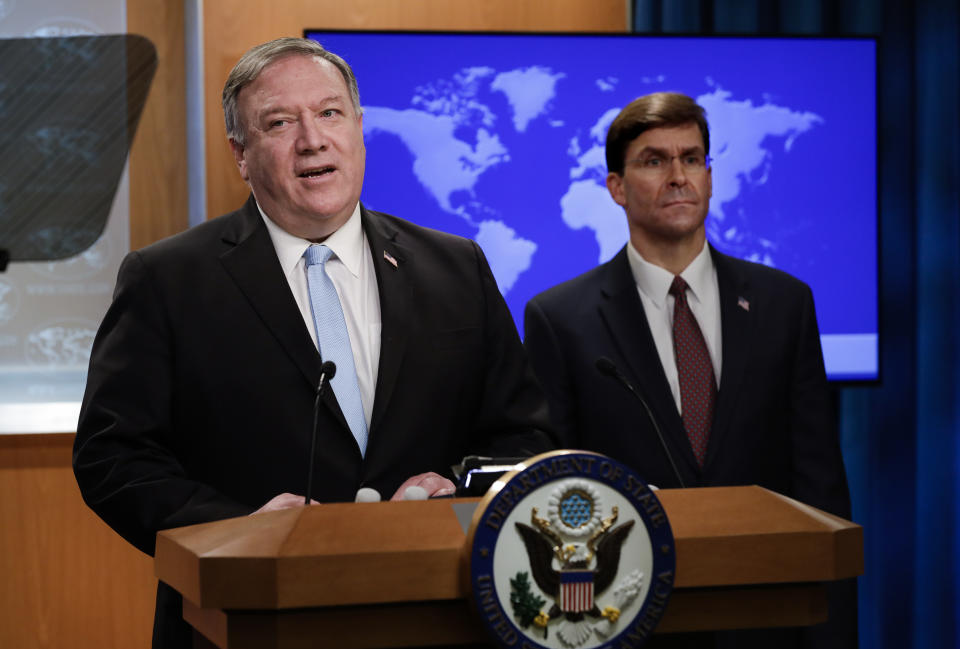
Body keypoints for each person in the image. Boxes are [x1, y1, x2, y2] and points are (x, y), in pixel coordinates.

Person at [74, 37, 552, 648]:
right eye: (279, 122)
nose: (312, 139)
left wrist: (453, 488)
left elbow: (525, 437)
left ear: (359, 127)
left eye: (329, 113)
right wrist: (237, 530)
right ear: (241, 155)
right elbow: (113, 458)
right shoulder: (168, 280)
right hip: (249, 621)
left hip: (436, 612)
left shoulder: (456, 267)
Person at [523, 92, 855, 648]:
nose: (679, 176)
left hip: (766, 615)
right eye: (654, 160)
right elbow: (559, 493)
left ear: (709, 175)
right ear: (617, 187)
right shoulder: (560, 319)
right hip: (629, 618)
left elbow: (820, 486)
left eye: (692, 158)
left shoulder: (783, 304)